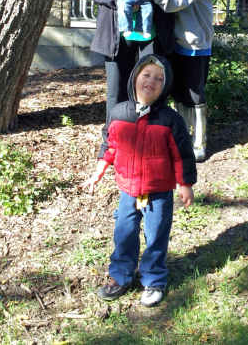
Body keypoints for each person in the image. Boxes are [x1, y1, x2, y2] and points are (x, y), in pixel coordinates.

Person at [80, 55, 196, 308]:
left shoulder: (170, 119)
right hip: (128, 190)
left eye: (159, 78)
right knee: (124, 232)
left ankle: (154, 279)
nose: (152, 81)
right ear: (134, 78)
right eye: (147, 75)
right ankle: (120, 276)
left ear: (165, 86)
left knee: (156, 236)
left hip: (159, 191)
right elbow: (109, 145)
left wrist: (185, 184)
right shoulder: (118, 112)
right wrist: (98, 171)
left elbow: (182, 155)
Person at [140, 0, 214, 162]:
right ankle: (183, 138)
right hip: (175, 40)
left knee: (194, 92)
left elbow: (180, 0)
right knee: (178, 90)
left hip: (195, 40)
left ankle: (199, 141)